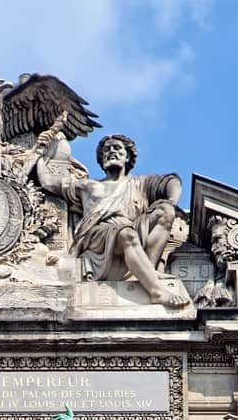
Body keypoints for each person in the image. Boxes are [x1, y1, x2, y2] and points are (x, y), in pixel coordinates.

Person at [35, 131, 188, 308]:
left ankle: (149, 271)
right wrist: (42, 149)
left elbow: (172, 181)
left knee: (165, 210)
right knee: (126, 234)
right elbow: (47, 181)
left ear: (127, 156)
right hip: (98, 237)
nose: (111, 152)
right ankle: (157, 292)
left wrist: (172, 202)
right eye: (106, 150)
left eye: (117, 148)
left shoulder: (140, 183)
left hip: (130, 230)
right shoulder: (89, 186)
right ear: (101, 159)